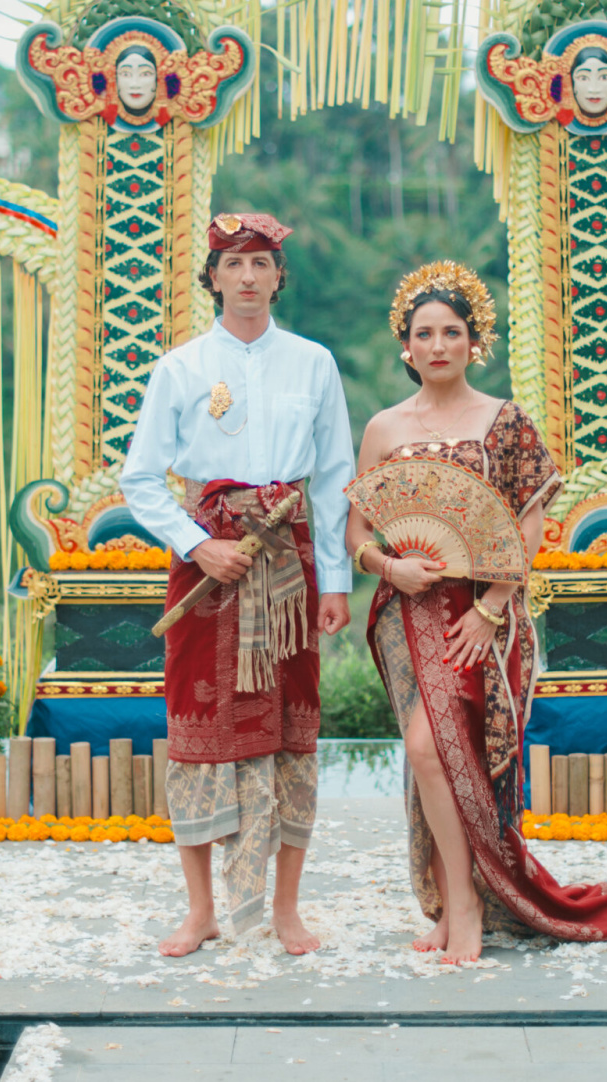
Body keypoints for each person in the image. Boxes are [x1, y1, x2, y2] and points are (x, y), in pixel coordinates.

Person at [347, 261, 607, 963]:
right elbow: (357, 532)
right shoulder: (384, 428)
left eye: (452, 332)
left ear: (476, 342)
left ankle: (468, 907)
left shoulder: (504, 421)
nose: (438, 344)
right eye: (423, 334)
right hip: (407, 611)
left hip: (480, 615)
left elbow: (526, 523)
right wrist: (390, 566)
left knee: (440, 751)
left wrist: (493, 608)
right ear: (404, 348)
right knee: (430, 759)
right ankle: (447, 903)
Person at [120, 211, 354, 958]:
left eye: (261, 263)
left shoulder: (314, 363)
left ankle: (285, 909)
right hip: (205, 572)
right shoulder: (180, 368)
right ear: (213, 277)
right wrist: (198, 545)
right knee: (196, 734)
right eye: (234, 263)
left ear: (280, 276)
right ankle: (201, 910)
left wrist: (336, 583)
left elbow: (337, 477)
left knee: (291, 733)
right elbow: (141, 479)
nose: (248, 276)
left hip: (289, 570)